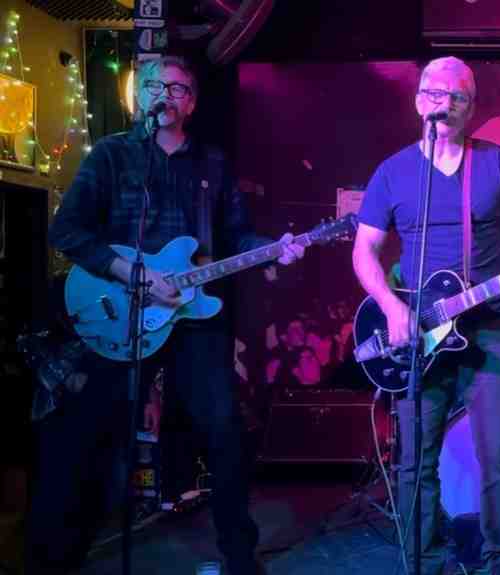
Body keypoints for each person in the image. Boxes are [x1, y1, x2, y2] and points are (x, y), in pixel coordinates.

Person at [36, 55, 304, 575]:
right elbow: (66, 231)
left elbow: (236, 237)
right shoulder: (113, 155)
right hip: (119, 312)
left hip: (193, 317)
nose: (165, 94)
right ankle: (59, 558)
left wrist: (276, 248)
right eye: (156, 85)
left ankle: (239, 557)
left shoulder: (213, 165)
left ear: (192, 103)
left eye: (178, 88)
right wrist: (131, 272)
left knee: (223, 430)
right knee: (90, 436)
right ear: (142, 95)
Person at [352, 56, 500, 575]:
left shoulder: (497, 163)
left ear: (471, 107)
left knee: (499, 454)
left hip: (488, 326)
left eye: (458, 96)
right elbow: (365, 252)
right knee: (416, 461)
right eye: (436, 93)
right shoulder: (393, 172)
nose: (445, 103)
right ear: (419, 101)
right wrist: (392, 306)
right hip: (417, 334)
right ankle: (425, 564)